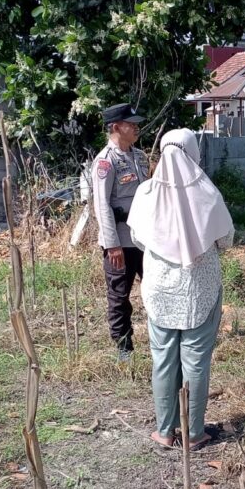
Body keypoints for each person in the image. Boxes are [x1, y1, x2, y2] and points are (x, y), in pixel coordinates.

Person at [127, 129, 235, 450]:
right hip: (199, 290)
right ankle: (193, 433)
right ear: (193, 152)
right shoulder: (208, 193)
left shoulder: (146, 192)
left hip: (159, 289)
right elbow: (226, 240)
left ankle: (164, 431)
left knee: (162, 360)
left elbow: (138, 238)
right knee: (196, 361)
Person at [92, 102, 150, 364]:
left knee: (154, 288)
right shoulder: (105, 162)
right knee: (119, 296)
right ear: (116, 127)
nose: (136, 127)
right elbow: (102, 205)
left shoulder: (139, 156)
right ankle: (124, 347)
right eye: (131, 124)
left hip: (144, 239)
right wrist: (112, 245)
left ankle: (160, 339)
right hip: (120, 241)